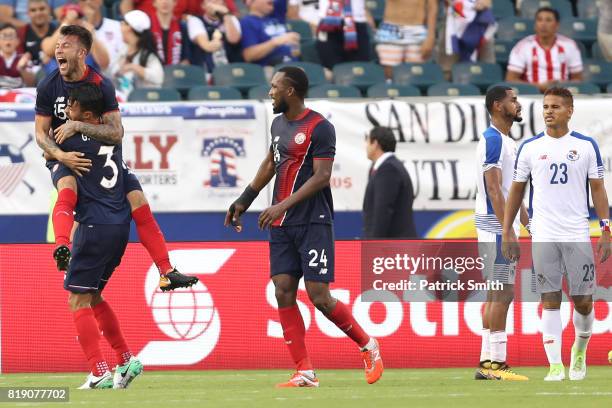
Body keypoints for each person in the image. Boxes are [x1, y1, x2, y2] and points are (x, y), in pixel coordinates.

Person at [225, 66, 383, 387]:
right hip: (282, 224)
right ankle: (305, 370)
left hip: (313, 221)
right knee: (283, 291)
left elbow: (322, 176)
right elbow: (271, 163)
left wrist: (280, 204)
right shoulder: (277, 124)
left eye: (274, 87)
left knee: (319, 296)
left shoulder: (320, 127)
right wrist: (244, 199)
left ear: (290, 91)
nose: (269, 92)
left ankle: (368, 346)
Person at [34, 24, 197, 292]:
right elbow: (40, 135)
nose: (58, 49)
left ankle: (166, 270)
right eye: (58, 45)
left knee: (138, 200)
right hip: (64, 155)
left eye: (66, 45)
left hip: (102, 154)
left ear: (82, 52)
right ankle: (63, 246)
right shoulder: (48, 86)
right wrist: (61, 155)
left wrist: (77, 126)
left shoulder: (101, 85)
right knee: (68, 187)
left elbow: (116, 132)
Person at [503, 87, 610, 381]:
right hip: (544, 235)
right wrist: (507, 230)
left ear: (570, 111)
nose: (549, 111)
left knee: (583, 300)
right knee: (549, 299)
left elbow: (598, 190)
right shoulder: (530, 148)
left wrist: (606, 229)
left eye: (555, 106)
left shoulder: (586, 146)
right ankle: (554, 365)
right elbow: (516, 192)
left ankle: (579, 351)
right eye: (546, 106)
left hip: (577, 233)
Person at [47, 83, 143, 389]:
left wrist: (55, 151)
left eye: (71, 108)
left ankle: (99, 370)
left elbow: (65, 192)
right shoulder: (113, 141)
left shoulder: (72, 140)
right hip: (119, 227)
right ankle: (126, 360)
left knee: (77, 300)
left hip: (92, 226)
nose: (66, 114)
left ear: (87, 114)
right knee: (93, 295)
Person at [473, 86, 530, 381]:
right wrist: (507, 231)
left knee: (497, 292)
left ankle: (487, 361)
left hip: (499, 225)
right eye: (513, 100)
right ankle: (496, 364)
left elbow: (511, 190)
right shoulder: (492, 139)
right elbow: (493, 188)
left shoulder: (507, 141)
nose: (518, 105)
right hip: (496, 228)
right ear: (498, 105)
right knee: (503, 292)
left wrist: (526, 221)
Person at [506, 7, 583, 93]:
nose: (543, 24)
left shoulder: (570, 46)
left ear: (557, 25)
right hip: (532, 96)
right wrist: (538, 87)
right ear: (535, 25)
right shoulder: (522, 46)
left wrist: (562, 87)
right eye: (539, 20)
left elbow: (577, 78)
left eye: (548, 20)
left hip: (562, 96)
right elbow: (511, 79)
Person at [362, 126, 416, 239]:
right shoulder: (387, 166)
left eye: (367, 142)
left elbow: (383, 211)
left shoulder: (388, 169)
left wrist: (373, 245)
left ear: (375, 143)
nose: (366, 147)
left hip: (393, 249)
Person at [40, 4, 110, 74]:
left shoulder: (90, 42)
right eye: (69, 17)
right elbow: (48, 50)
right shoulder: (49, 41)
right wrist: (67, 22)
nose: (74, 21)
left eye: (79, 17)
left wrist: (91, 36)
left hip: (88, 83)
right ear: (61, 20)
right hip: (59, 84)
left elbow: (104, 64)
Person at [375, 0, 437, 79]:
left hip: (417, 29)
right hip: (391, 29)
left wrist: (430, 35)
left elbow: (432, 7)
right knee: (389, 73)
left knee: (416, 72)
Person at [115, 10, 164, 96]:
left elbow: (158, 78)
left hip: (145, 102)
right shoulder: (122, 51)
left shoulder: (148, 56)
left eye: (123, 23)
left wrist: (134, 68)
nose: (120, 27)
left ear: (129, 28)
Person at [315, 0, 374, 70]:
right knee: (331, 70)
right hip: (328, 22)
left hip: (357, 22)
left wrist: (366, 11)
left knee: (359, 69)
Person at [187, 0, 242, 74]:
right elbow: (206, 46)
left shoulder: (231, 18)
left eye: (217, 1)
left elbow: (233, 39)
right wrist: (216, 43)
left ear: (223, 4)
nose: (214, 3)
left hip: (232, 71)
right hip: (206, 72)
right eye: (210, 1)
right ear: (203, 5)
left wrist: (226, 15)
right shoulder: (195, 20)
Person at [240, 0, 300, 66]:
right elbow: (249, 55)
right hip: (271, 69)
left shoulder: (276, 15)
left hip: (294, 65)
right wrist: (276, 42)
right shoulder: (247, 22)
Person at [78, 0, 125, 77]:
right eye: (83, 0)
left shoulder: (118, 27)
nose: (88, 2)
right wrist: (89, 24)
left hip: (115, 81)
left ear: (101, 1)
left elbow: (107, 65)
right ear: (79, 4)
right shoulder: (73, 31)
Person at [17, 0, 56, 73]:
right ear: (28, 13)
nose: (38, 13)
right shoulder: (21, 33)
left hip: (55, 74)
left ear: (49, 10)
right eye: (33, 10)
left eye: (42, 9)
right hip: (30, 77)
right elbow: (18, 63)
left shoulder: (57, 30)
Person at [147, 0, 190, 65]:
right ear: (154, 3)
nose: (165, 2)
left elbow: (186, 58)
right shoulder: (147, 26)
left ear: (175, 3)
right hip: (153, 71)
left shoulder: (182, 27)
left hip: (175, 71)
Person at [0, 22, 36, 88]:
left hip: (18, 95)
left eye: (11, 36)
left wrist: (22, 69)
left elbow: (32, 84)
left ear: (17, 41)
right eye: (4, 36)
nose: (8, 40)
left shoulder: (24, 59)